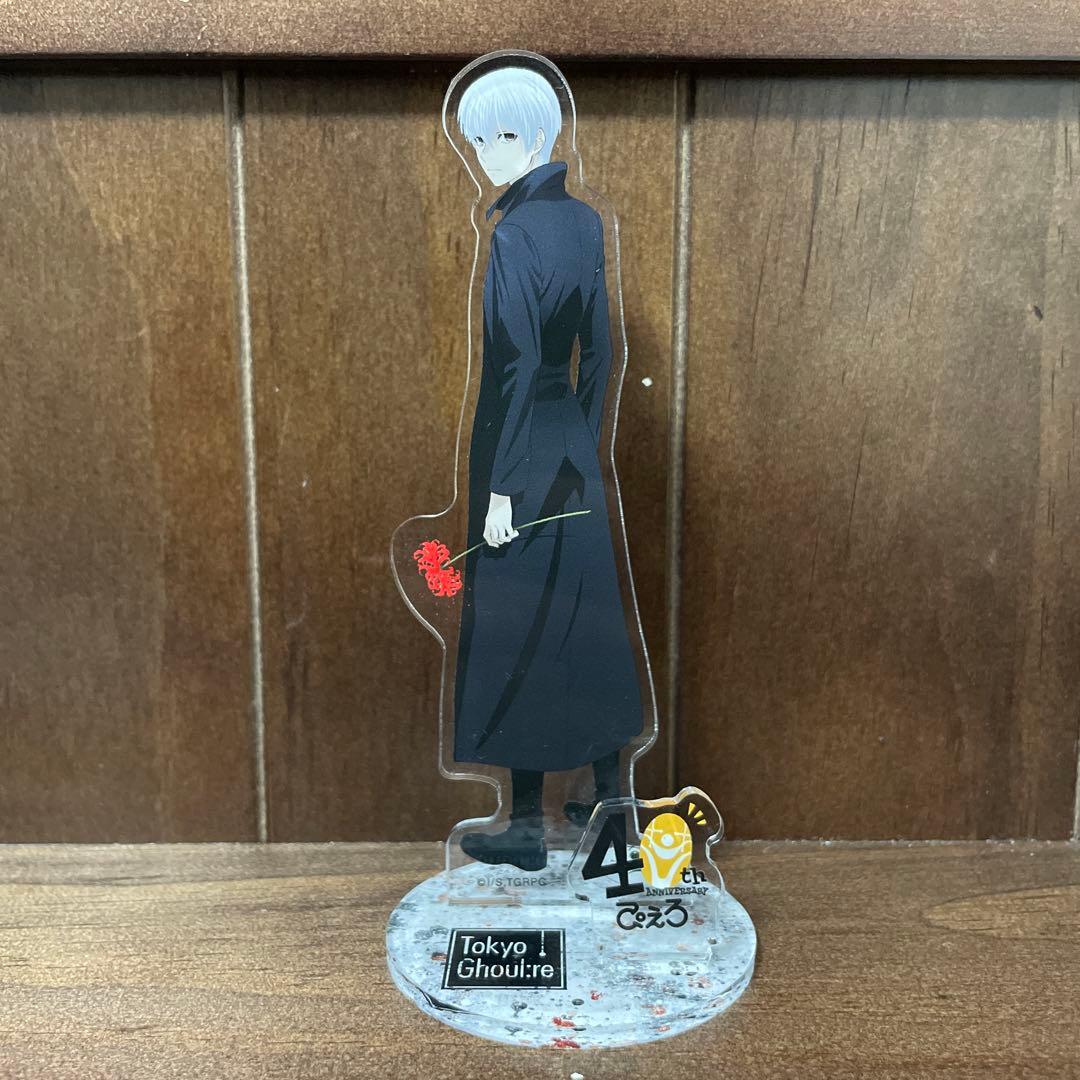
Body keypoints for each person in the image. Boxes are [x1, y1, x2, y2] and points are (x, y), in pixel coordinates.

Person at [452, 65, 643, 871]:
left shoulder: (514, 234)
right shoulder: (584, 222)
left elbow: (517, 364)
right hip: (567, 442)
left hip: (518, 447)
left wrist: (502, 486)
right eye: (474, 140)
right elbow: (597, 349)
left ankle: (527, 829)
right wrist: (583, 439)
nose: (483, 155)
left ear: (529, 135)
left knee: (518, 626)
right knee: (584, 619)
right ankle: (612, 805)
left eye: (492, 138)